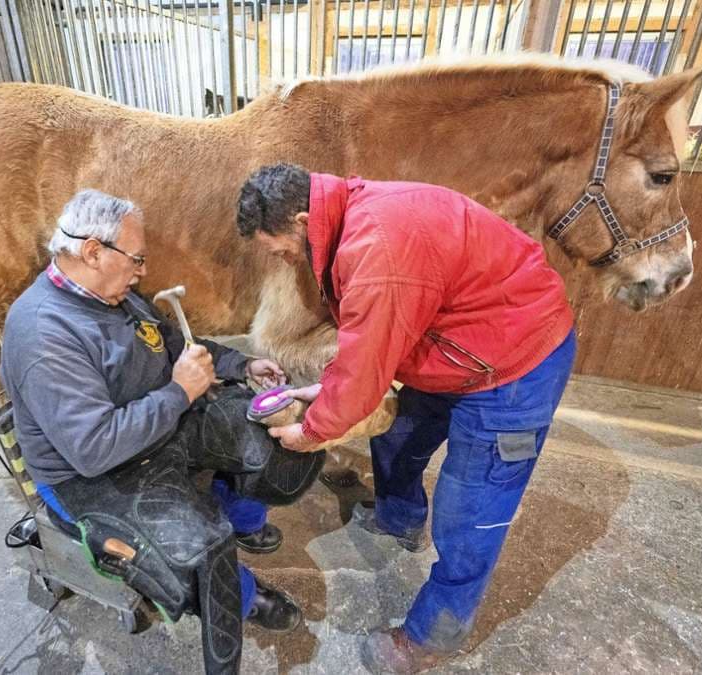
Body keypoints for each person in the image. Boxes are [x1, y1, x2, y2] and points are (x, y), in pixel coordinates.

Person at [236, 164, 577, 673]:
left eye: (281, 248)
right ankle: (401, 519)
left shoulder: (376, 252)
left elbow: (365, 364)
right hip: (456, 348)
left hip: (515, 363)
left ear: (304, 219)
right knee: (396, 437)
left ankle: (433, 634)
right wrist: (329, 391)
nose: (285, 259)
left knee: (471, 509)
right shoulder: (350, 216)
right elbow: (366, 350)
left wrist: (313, 430)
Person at [0, 189, 325, 674]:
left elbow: (174, 342)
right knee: (204, 545)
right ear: (93, 251)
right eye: (136, 258)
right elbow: (92, 450)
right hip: (92, 474)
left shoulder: (119, 296)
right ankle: (241, 597)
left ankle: (241, 519)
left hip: (159, 425)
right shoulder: (45, 334)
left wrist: (239, 363)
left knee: (272, 434)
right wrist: (178, 393)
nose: (143, 271)